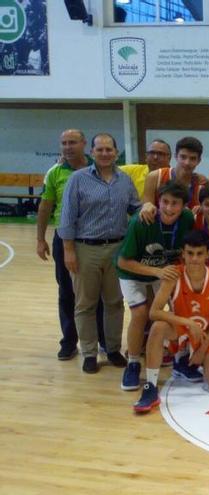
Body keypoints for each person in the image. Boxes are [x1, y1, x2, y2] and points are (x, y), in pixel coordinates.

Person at [58, 133, 141, 373]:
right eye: (100, 149)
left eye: (109, 149)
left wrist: (147, 208)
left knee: (115, 302)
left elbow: (134, 208)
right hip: (85, 249)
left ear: (116, 152)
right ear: (92, 152)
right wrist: (69, 250)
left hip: (117, 249)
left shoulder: (125, 180)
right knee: (85, 304)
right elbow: (67, 217)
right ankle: (89, 353)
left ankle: (113, 349)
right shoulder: (78, 179)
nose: (105, 153)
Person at [133, 230, 209, 413]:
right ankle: (150, 387)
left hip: (206, 333)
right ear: (183, 254)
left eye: (199, 254)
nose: (194, 258)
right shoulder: (173, 276)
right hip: (182, 330)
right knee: (158, 327)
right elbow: (154, 312)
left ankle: (185, 359)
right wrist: (188, 322)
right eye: (190, 253)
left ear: (207, 254)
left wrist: (202, 350)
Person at [116, 182, 194, 390]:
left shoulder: (187, 219)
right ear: (157, 202)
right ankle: (133, 363)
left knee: (180, 307)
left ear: (184, 206)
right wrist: (157, 271)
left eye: (175, 203)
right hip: (133, 272)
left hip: (162, 271)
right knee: (141, 313)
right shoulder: (141, 222)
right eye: (165, 202)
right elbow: (123, 262)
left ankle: (180, 355)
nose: (169, 208)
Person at [37, 129, 105, 360]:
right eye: (64, 142)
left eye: (73, 142)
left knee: (98, 292)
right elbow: (45, 206)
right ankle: (69, 341)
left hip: (94, 239)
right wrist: (40, 239)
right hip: (64, 239)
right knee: (67, 292)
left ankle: (103, 340)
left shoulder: (99, 169)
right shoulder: (55, 172)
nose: (68, 147)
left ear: (84, 144)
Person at [141, 136, 205, 214]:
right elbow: (146, 209)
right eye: (183, 157)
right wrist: (147, 205)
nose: (187, 162)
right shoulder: (155, 177)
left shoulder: (202, 183)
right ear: (175, 156)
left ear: (199, 161)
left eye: (192, 158)